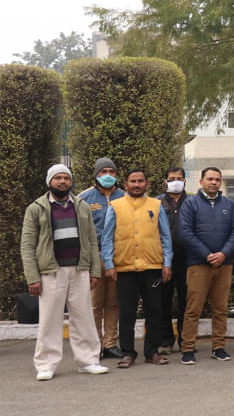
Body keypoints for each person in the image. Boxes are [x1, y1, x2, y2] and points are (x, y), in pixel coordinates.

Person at [20, 164, 109, 380]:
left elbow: (90, 240)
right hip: (51, 272)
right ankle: (46, 365)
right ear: (49, 182)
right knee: (50, 320)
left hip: (79, 270)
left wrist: (94, 271)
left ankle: (88, 360)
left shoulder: (81, 206)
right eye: (58, 178)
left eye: (66, 178)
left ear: (71, 182)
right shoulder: (36, 208)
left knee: (84, 317)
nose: (62, 182)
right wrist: (32, 277)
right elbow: (27, 245)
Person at [101, 168, 174, 367]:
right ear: (126, 184)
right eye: (132, 181)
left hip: (152, 267)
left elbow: (165, 237)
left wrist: (167, 263)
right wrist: (109, 264)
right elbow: (107, 238)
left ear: (146, 184)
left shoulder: (156, 205)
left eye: (140, 181)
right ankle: (128, 353)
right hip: (125, 268)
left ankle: (152, 352)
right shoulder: (115, 206)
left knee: (154, 311)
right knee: (126, 313)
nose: (136, 185)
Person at [177, 167, 234, 364]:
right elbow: (185, 233)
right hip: (198, 264)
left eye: (217, 179)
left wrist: (223, 253)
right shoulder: (190, 204)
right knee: (193, 308)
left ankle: (218, 347)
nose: (214, 182)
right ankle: (187, 348)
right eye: (210, 179)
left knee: (220, 308)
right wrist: (207, 255)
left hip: (224, 264)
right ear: (201, 180)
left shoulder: (228, 205)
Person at [79, 157, 124, 359]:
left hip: (118, 256)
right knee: (95, 304)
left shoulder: (125, 197)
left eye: (111, 172)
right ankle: (95, 344)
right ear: (96, 175)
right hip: (94, 257)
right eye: (103, 172)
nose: (108, 176)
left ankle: (111, 343)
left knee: (114, 303)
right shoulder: (84, 199)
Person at [157, 166, 188, 353]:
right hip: (162, 260)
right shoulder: (156, 202)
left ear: (185, 181)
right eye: (171, 178)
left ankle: (186, 340)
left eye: (179, 178)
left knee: (186, 301)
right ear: (165, 181)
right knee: (162, 302)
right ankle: (165, 341)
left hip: (187, 258)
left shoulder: (192, 202)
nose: (175, 181)